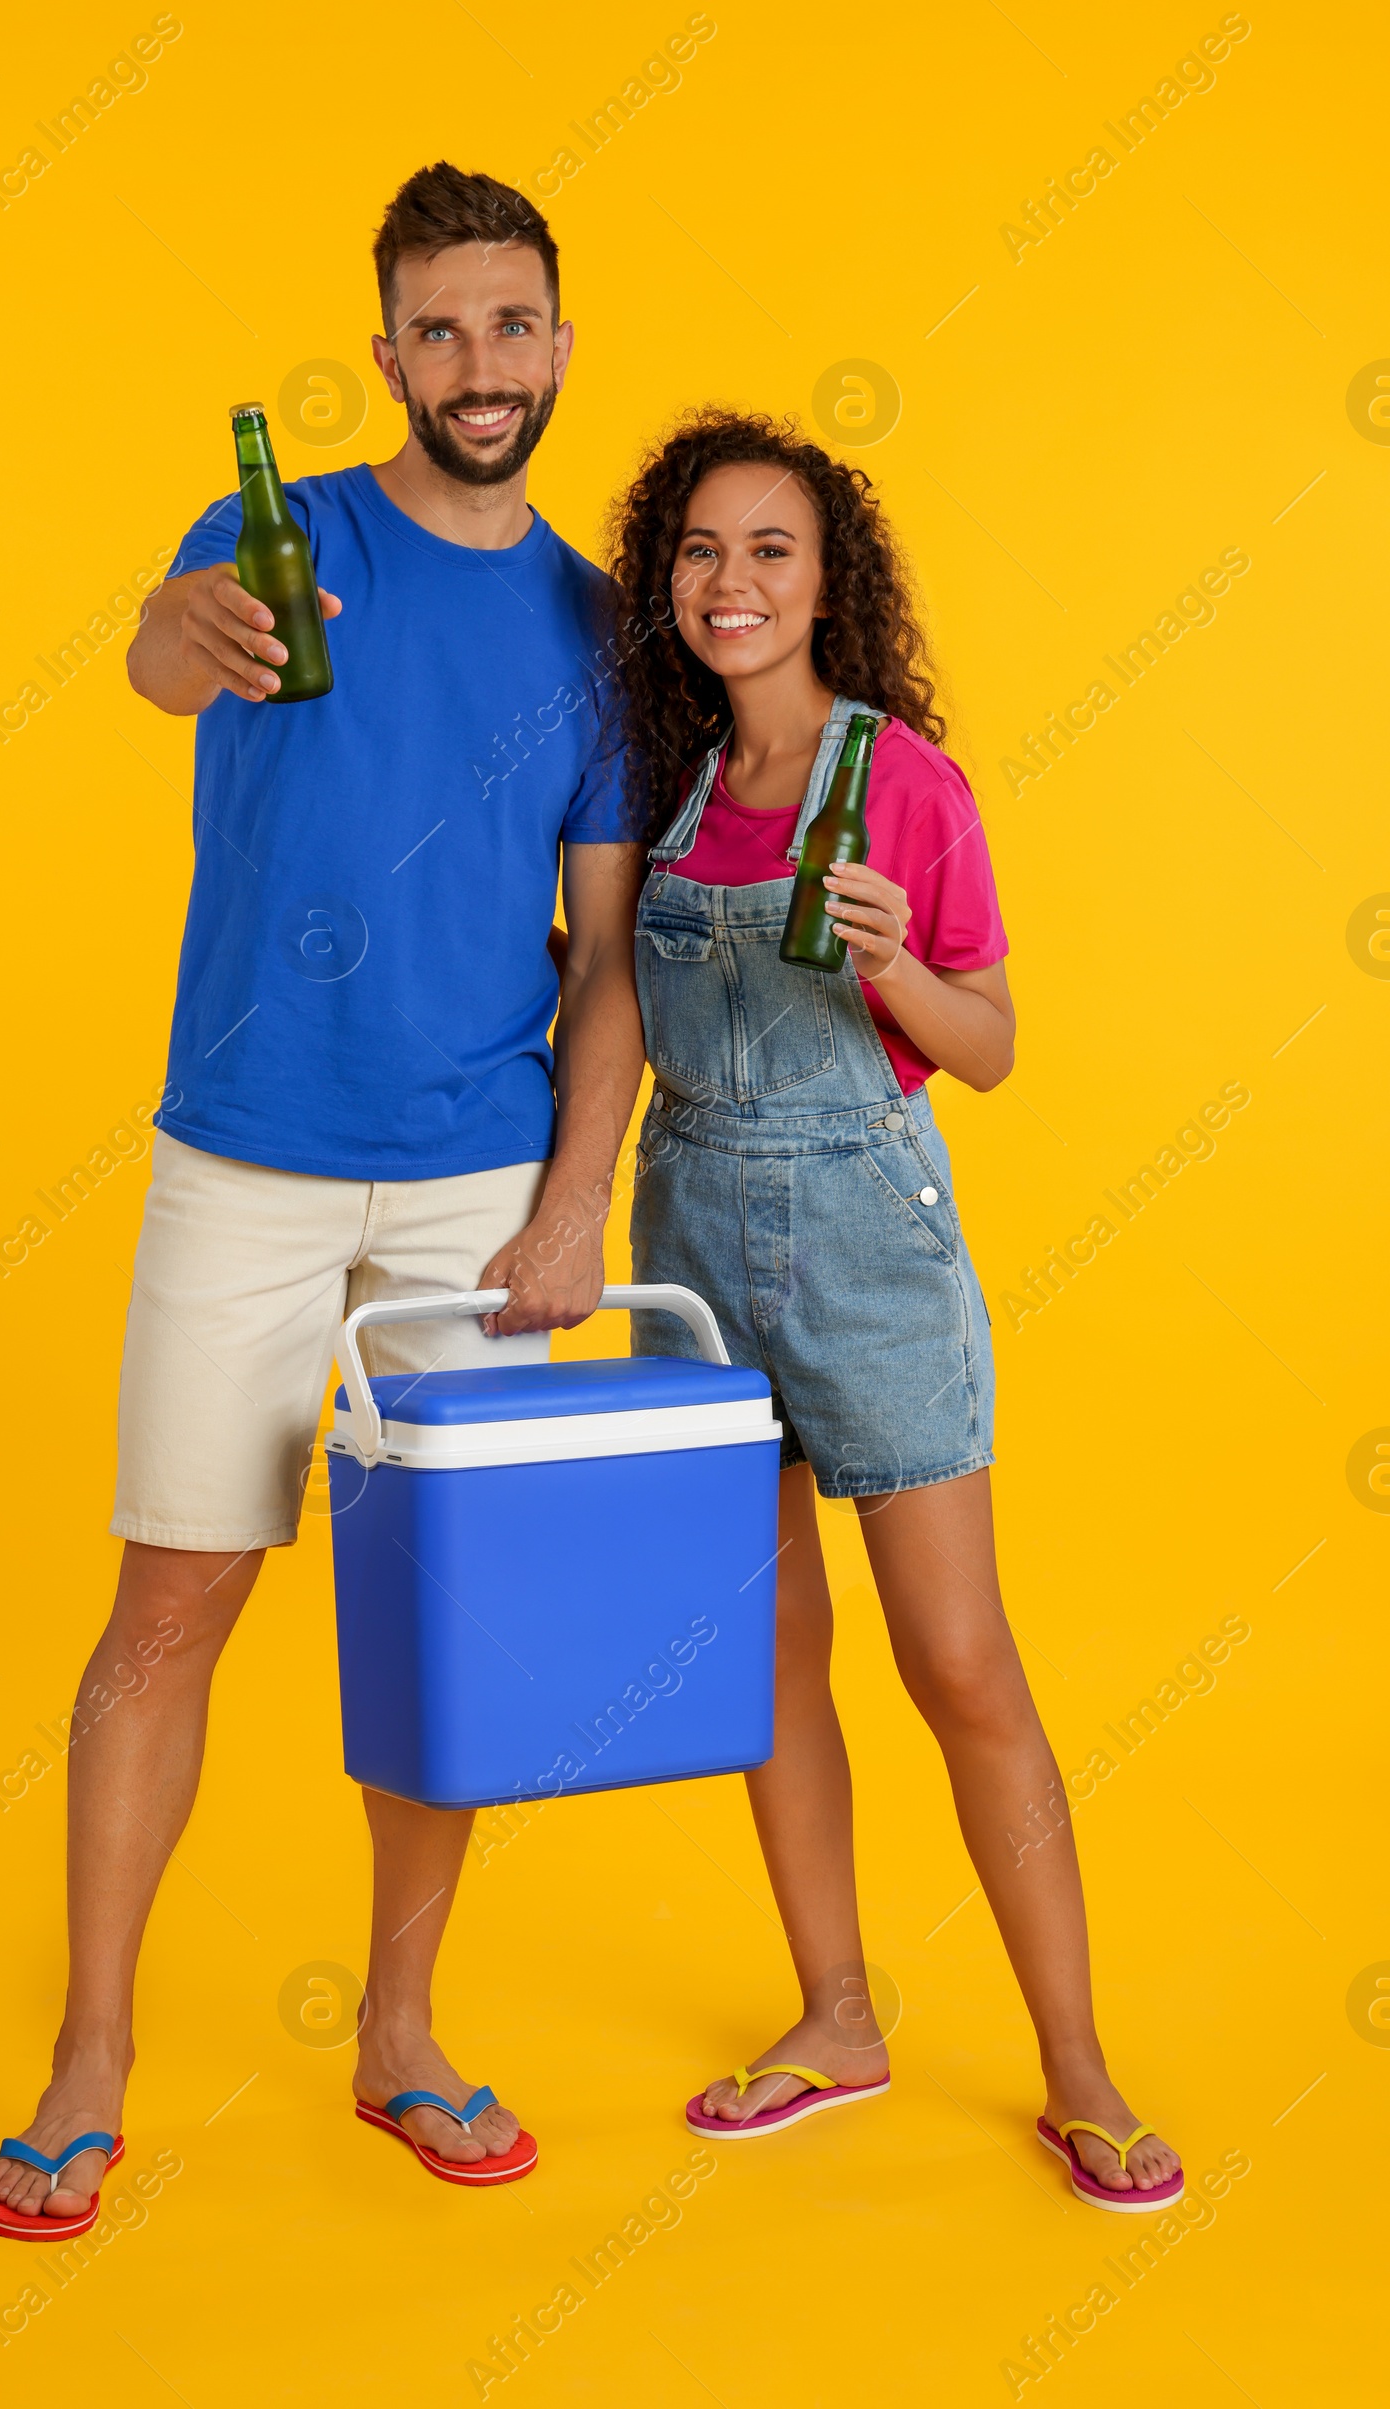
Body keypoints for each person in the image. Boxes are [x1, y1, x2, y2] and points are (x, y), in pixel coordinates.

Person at [0, 164, 646, 2232]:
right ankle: (91, 2054)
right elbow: (167, 669)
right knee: (164, 1611)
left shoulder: (600, 623)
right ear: (385, 354)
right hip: (244, 1159)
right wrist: (171, 635)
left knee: (440, 1627)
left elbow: (607, 945)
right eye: (436, 329)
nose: (476, 364)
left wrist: (568, 1206)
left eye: (508, 324)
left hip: (472, 1186)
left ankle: (400, 2031)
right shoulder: (286, 540)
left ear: (553, 340)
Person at [604, 411, 1183, 2209]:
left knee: (959, 1663)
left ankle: (1078, 2066)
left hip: (864, 1247)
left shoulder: (905, 782)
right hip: (693, 1240)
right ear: (668, 583)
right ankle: (836, 2015)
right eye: (702, 550)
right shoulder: (664, 780)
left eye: (770, 549)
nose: (733, 582)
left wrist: (896, 964)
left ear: (828, 579)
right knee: (770, 1660)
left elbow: (993, 1048)